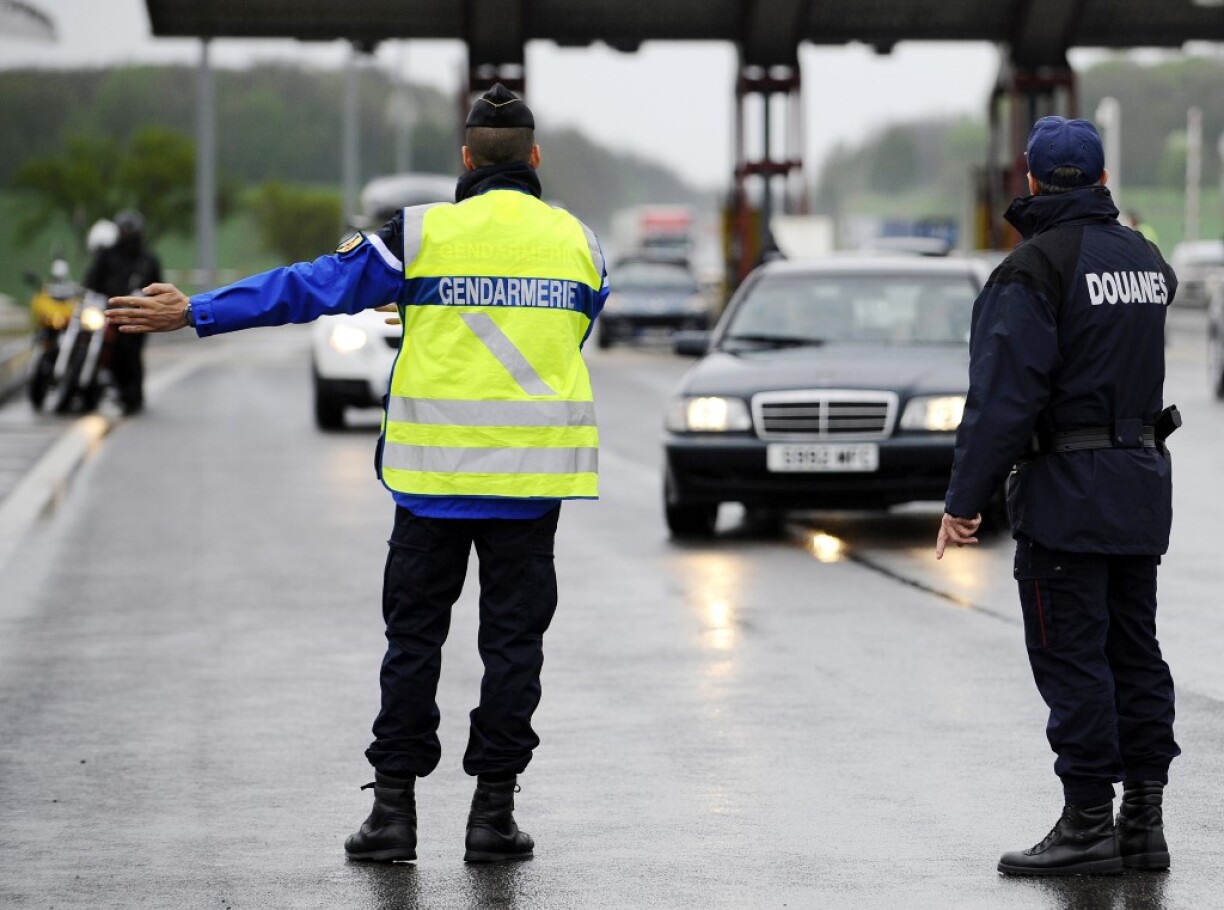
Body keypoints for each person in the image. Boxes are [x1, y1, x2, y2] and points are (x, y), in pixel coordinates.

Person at [106, 84, 609, 864]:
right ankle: (492, 818)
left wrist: (196, 311)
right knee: (513, 651)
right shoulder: (580, 244)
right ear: (535, 159)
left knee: (413, 645)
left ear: (466, 159)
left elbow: (309, 287)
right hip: (530, 488)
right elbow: (565, 330)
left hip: (431, 486)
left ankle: (394, 818)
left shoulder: (419, 236)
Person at [935, 116, 1180, 876]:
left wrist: (964, 499)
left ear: (1032, 180)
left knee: (1074, 659)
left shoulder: (1033, 270)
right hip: (1140, 487)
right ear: (1103, 180)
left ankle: (1086, 826)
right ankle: (1143, 824)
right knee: (1134, 654)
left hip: (1067, 498)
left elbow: (1004, 398)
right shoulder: (1145, 260)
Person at [86, 210, 162, 414]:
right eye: (124, 230)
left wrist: (147, 303)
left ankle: (133, 395)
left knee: (131, 355)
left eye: (132, 230)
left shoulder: (148, 259)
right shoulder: (107, 254)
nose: (128, 234)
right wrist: (93, 298)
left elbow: (158, 287)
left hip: (136, 316)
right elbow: (92, 281)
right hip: (106, 314)